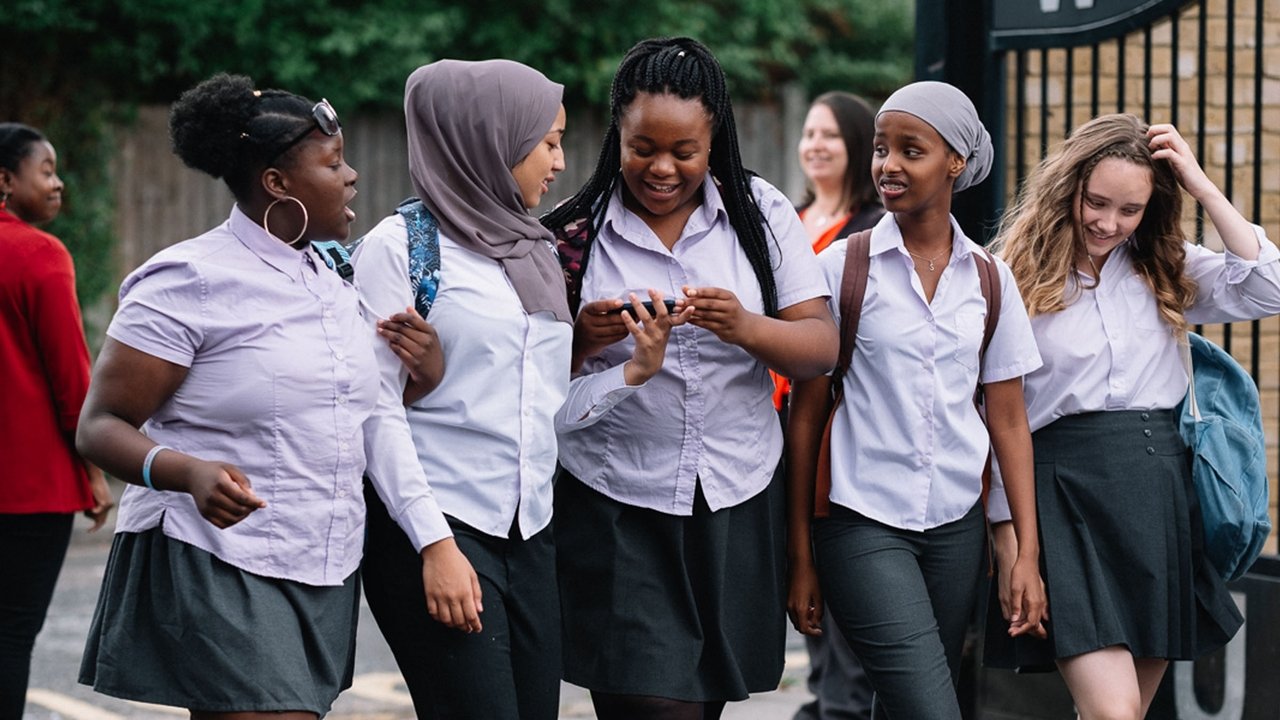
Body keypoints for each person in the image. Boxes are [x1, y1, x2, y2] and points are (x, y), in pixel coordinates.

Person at [76, 73, 449, 719]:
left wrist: (427, 372)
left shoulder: (333, 280)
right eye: (333, 163)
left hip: (322, 555)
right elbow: (100, 424)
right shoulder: (188, 279)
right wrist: (187, 472)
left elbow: (351, 412)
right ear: (277, 183)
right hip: (216, 554)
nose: (353, 176)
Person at [542, 37, 839, 720]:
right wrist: (585, 337)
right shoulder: (575, 234)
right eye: (643, 148)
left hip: (736, 495)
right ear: (616, 134)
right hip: (617, 501)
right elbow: (529, 384)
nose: (662, 168)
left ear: (715, 141)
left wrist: (744, 326)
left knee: (701, 706)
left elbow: (820, 348)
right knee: (652, 703)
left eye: (685, 151)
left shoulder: (759, 214)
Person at [988, 113, 1279, 719]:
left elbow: (1268, 287)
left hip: (1156, 491)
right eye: (1095, 203)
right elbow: (996, 418)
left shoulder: (1164, 265)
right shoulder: (1011, 275)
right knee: (1113, 712)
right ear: (1067, 188)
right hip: (1062, 494)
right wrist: (1010, 538)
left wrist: (1200, 183)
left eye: (1129, 210)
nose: (1108, 223)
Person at [785, 81, 1048, 720]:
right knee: (932, 709)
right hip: (860, 519)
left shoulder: (990, 279)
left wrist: (1026, 554)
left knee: (905, 704)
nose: (889, 165)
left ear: (956, 161)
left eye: (911, 150)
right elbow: (806, 414)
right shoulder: (842, 268)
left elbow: (1009, 422)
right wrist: (799, 554)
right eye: (881, 149)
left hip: (955, 529)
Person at [352, 58, 581, 720]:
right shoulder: (400, 249)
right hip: (441, 523)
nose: (560, 162)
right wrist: (435, 545)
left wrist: (631, 374)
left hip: (530, 529)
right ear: (492, 140)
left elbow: (540, 408)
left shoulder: (535, 250)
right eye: (549, 142)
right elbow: (376, 414)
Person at [0, 122, 114, 719]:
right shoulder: (40, 254)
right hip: (28, 488)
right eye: (44, 170)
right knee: (10, 635)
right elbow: (72, 382)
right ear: (4, 179)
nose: (58, 182)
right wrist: (93, 471)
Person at [784, 92, 882, 720]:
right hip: (774, 420)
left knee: (838, 577)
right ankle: (826, 698)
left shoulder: (869, 232)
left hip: (834, 422)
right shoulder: (786, 219)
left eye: (831, 135)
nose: (815, 145)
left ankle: (840, 704)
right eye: (809, 133)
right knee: (799, 576)